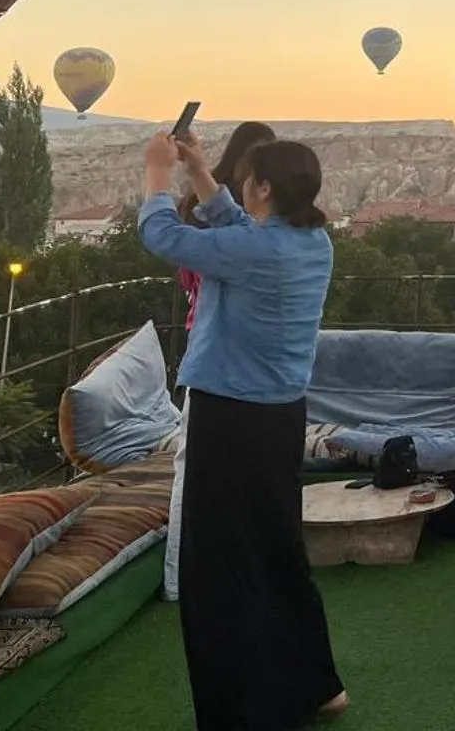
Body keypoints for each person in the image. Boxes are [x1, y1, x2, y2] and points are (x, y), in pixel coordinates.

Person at [140, 132, 346, 728]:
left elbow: (164, 237)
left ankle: (238, 710)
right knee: (279, 551)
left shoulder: (256, 250)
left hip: (230, 417)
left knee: (217, 569)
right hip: (280, 416)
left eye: (246, 179)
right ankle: (315, 685)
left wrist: (158, 175)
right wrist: (202, 174)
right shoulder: (312, 241)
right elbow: (240, 229)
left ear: (262, 187)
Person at [161, 121, 277, 604]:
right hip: (231, 352)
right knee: (211, 466)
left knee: (200, 466)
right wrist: (155, 178)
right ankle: (187, 577)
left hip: (212, 343)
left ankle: (186, 575)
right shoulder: (248, 229)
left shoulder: (211, 212)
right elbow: (163, 236)